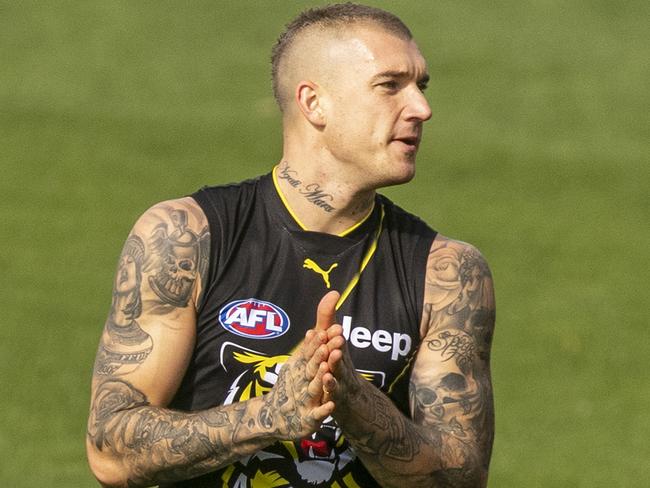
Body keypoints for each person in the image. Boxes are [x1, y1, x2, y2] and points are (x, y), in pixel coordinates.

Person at [86, 3, 495, 487]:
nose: (421, 109)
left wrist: (353, 401)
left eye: (420, 86)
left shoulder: (446, 273)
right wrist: (272, 414)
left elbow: (460, 477)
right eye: (390, 86)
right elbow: (110, 449)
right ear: (313, 103)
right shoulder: (186, 236)